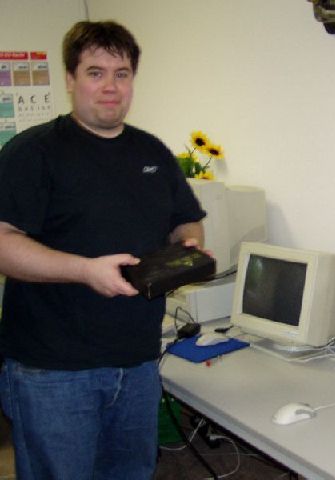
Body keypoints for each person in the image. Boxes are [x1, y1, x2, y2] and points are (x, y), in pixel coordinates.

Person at [0, 21, 206, 480]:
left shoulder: (152, 152)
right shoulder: (32, 153)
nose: (110, 87)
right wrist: (85, 270)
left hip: (137, 362)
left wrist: (186, 249)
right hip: (53, 372)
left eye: (121, 73)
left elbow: (185, 219)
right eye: (95, 73)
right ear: (70, 79)